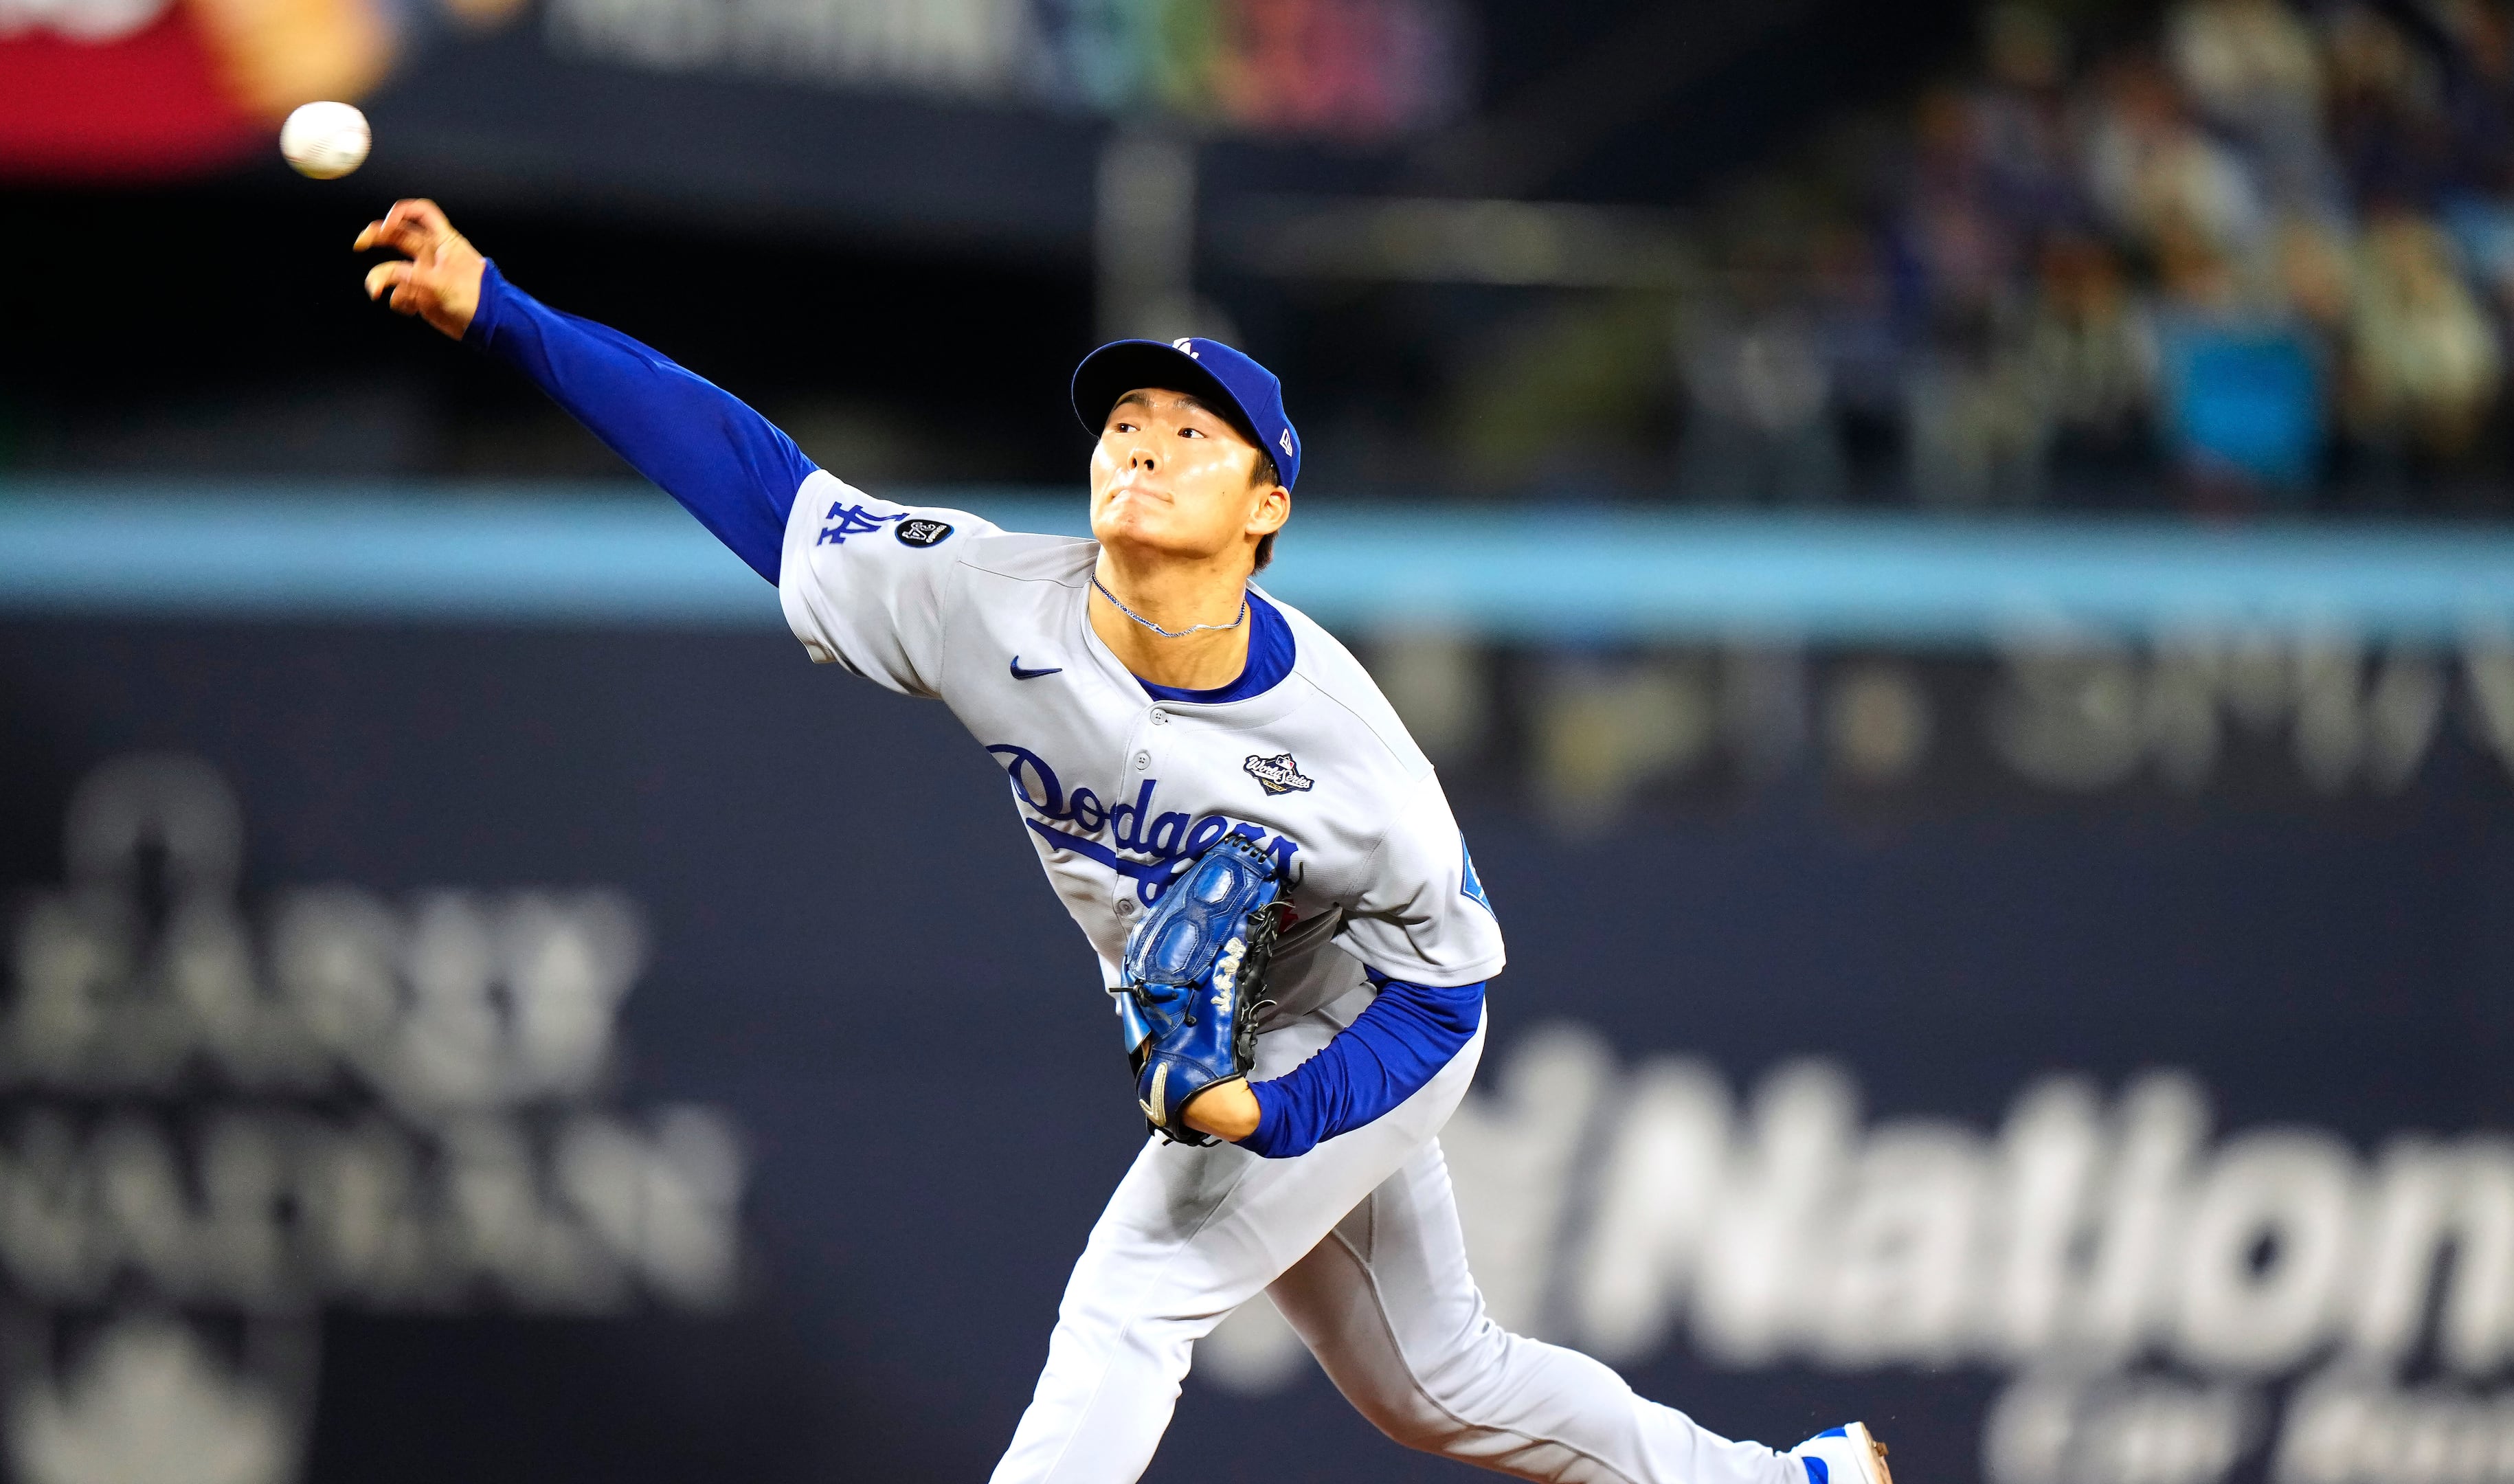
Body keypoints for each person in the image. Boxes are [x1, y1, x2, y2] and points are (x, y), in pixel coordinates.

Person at [352, 198, 1897, 1484]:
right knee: (1436, 1381)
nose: (1142, 447)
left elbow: (1447, 1001)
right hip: (1212, 1023)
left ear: (1267, 506)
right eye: (1127, 420)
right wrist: (506, 314)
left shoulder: (1350, 753)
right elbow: (761, 482)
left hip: (1357, 1020)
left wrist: (1267, 1118)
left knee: (1138, 1294)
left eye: (1194, 433)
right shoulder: (983, 599)